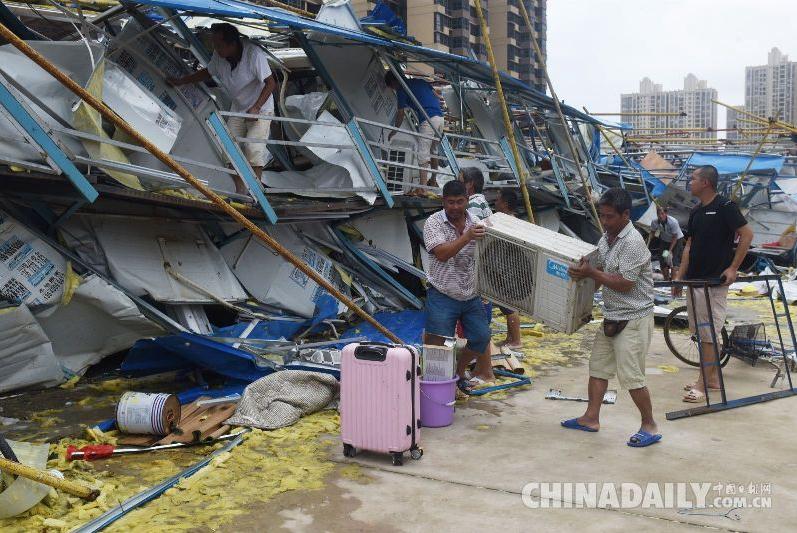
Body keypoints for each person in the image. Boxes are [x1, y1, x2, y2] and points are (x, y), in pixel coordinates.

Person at [565, 188, 661, 448]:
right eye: (602, 216)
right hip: (612, 316)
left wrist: (591, 273)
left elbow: (623, 283)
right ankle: (591, 417)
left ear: (626, 215)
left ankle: (649, 425)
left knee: (632, 377)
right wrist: (582, 282)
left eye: (609, 217)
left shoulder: (633, 242)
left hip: (634, 319)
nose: (604, 222)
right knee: (598, 368)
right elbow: (599, 272)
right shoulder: (607, 239)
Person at [168, 23, 278, 193]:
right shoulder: (219, 56)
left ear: (232, 44)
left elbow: (271, 83)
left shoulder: (253, 54)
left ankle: (256, 192)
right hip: (239, 107)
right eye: (214, 44)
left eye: (219, 45)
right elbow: (208, 72)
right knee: (228, 149)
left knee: (253, 149)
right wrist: (182, 81)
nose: (215, 49)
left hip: (261, 107)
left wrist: (256, 107)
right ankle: (241, 191)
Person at [675, 165, 753, 403]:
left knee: (708, 333)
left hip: (714, 281)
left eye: (693, 179)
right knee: (700, 333)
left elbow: (747, 234)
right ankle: (712, 379)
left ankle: (702, 384)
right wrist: (680, 276)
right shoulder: (697, 211)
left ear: (706, 183)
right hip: (695, 280)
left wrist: (733, 268)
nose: (690, 182)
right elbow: (689, 245)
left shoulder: (725, 207)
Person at [423, 180, 494, 389]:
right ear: (443, 202)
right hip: (442, 293)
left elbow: (488, 255)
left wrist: (487, 289)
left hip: (471, 293)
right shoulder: (433, 223)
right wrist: (467, 236)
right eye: (450, 202)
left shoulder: (478, 222)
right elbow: (442, 254)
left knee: (481, 337)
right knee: (439, 343)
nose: (455, 207)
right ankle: (439, 385)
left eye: (459, 202)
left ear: (467, 200)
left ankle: (458, 371)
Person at [384, 72, 445, 194]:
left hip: (428, 119)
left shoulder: (402, 89)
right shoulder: (420, 81)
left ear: (394, 82)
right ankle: (433, 181)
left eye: (392, 87)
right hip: (440, 117)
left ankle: (423, 188)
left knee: (423, 153)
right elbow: (436, 95)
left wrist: (394, 130)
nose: (394, 89)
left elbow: (400, 113)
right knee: (433, 152)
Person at [495, 189, 522, 349]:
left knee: (509, 306)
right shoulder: (508, 219)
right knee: (506, 304)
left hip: (509, 269)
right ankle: (510, 337)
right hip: (505, 267)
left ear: (505, 203)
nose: (496, 202)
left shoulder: (509, 221)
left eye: (498, 200)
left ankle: (516, 340)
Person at [647, 205, 684, 281]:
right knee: (663, 258)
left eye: (662, 214)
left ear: (666, 214)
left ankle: (674, 281)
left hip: (676, 241)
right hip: (665, 241)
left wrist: (670, 251)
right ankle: (666, 280)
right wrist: (647, 243)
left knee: (673, 260)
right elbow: (652, 233)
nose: (661, 216)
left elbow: (675, 237)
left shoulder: (673, 222)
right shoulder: (655, 222)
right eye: (659, 214)